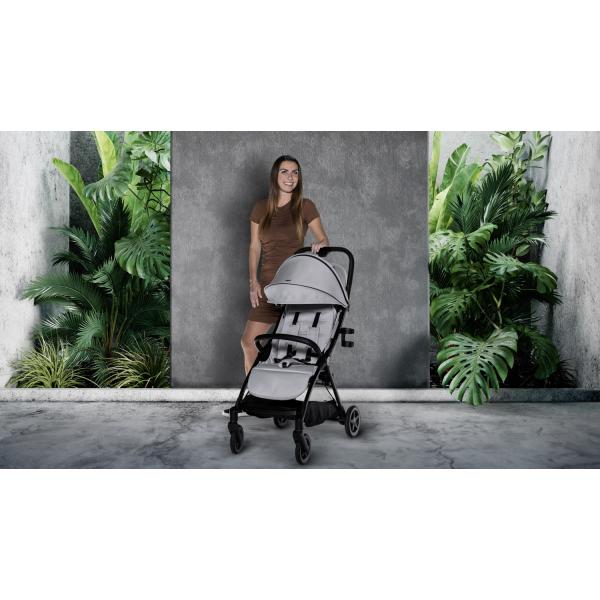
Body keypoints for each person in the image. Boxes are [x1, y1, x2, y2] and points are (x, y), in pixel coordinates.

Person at [223, 155, 329, 416]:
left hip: (295, 290)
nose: (290, 177)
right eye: (284, 172)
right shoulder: (261, 208)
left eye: (295, 172)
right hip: (269, 289)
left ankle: (285, 398)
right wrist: (253, 282)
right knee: (249, 342)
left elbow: (324, 239)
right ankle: (255, 398)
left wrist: (320, 244)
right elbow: (254, 247)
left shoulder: (305, 206)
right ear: (275, 176)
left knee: (292, 349)